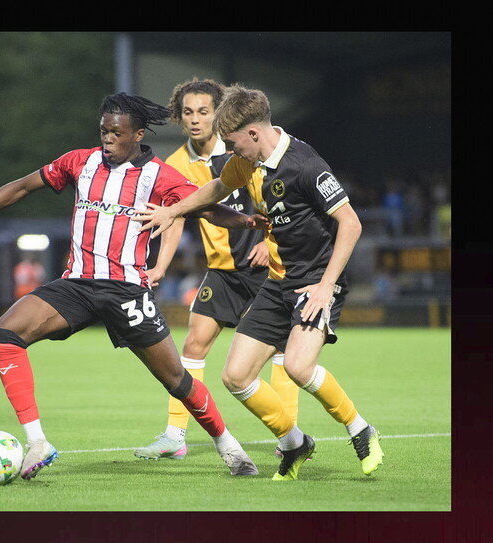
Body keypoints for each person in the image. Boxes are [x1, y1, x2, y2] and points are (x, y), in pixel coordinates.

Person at [0, 93, 269, 481]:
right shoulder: (80, 162)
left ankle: (228, 446)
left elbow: (204, 207)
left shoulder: (159, 175)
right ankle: (37, 441)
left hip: (126, 291)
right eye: (103, 131)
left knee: (177, 380)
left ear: (138, 135)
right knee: (6, 333)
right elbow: (23, 187)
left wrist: (244, 221)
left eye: (117, 133)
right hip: (77, 285)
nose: (108, 139)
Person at [134, 85, 385, 479]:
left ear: (253, 133)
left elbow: (350, 223)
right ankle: (295, 442)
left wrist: (325, 285)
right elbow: (217, 188)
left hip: (316, 282)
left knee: (300, 368)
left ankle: (361, 430)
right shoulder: (248, 162)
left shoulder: (306, 166)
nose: (230, 152)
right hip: (277, 282)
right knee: (235, 376)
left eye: (233, 144)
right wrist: (174, 211)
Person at [134, 78, 299, 461]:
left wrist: (268, 242)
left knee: (279, 350)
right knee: (193, 344)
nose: (195, 120)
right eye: (188, 112)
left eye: (204, 112)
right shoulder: (175, 164)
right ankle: (176, 435)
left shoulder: (243, 149)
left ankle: (288, 435)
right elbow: (176, 216)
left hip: (265, 265)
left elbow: (278, 198)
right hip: (223, 270)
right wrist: (160, 265)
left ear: (218, 113)